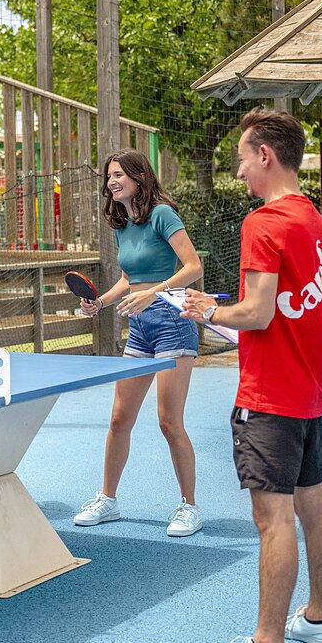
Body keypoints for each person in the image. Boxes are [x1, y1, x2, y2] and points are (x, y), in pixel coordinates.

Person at [181, 107, 322, 643]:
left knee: (272, 520)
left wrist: (208, 311)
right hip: (308, 392)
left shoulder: (264, 223)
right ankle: (319, 620)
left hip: (269, 396)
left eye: (243, 159)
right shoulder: (315, 221)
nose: (241, 171)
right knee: (313, 506)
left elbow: (255, 311)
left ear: (265, 156)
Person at [73, 148, 206, 537]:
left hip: (173, 321)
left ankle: (189, 507)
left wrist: (155, 293)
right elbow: (131, 279)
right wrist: (101, 302)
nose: (111, 182)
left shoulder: (163, 215)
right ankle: (108, 500)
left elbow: (193, 267)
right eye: (109, 176)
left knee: (168, 421)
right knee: (119, 419)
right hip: (140, 327)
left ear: (139, 177)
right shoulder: (121, 224)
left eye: (118, 176)